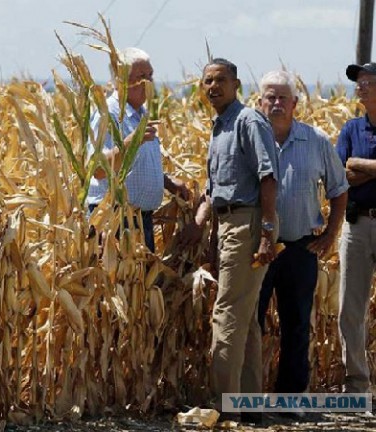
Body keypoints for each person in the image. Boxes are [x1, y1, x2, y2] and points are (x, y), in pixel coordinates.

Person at [180, 58, 278, 424]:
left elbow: (268, 178)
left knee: (226, 314)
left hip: (248, 223)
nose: (212, 87)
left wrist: (267, 234)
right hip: (229, 224)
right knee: (245, 317)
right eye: (207, 81)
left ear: (236, 84)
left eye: (220, 80)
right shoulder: (220, 126)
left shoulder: (247, 122)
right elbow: (214, 188)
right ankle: (250, 407)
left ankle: (225, 408)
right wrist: (202, 223)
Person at [256, 71, 348, 397]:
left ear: (295, 103)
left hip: (299, 248)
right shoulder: (251, 141)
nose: (277, 103)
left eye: (283, 98)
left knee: (296, 327)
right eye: (271, 97)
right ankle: (247, 398)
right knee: (252, 324)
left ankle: (289, 398)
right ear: (259, 102)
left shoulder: (317, 141)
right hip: (259, 250)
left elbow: (339, 191)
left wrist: (330, 235)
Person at [86, 47, 189, 253]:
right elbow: (97, 169)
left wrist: (168, 182)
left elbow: (137, 165)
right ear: (119, 80)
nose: (148, 82)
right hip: (114, 221)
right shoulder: (108, 115)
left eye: (150, 75)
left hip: (141, 221)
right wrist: (133, 141)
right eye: (141, 77)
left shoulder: (141, 114)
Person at [336, 62, 376, 394]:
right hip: (355, 225)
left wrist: (359, 164)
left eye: (367, 82)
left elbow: (355, 167)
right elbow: (342, 174)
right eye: (358, 83)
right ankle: (357, 385)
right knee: (350, 308)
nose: (361, 88)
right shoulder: (350, 129)